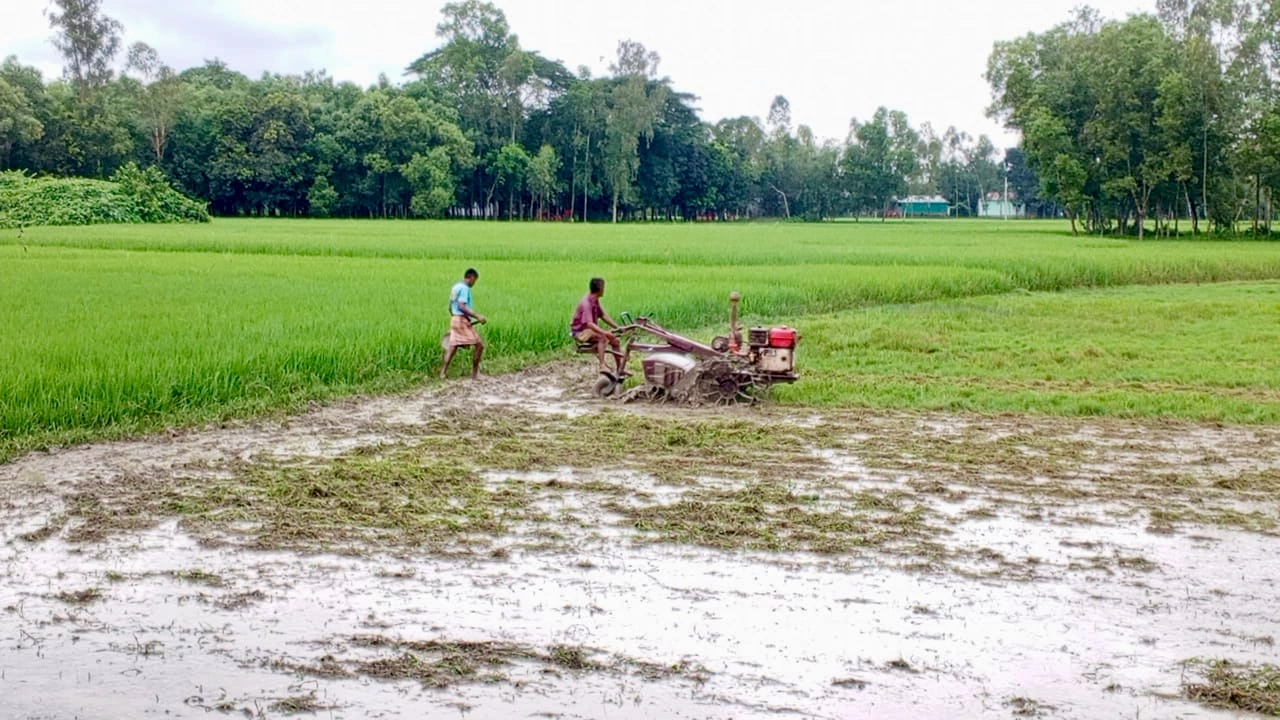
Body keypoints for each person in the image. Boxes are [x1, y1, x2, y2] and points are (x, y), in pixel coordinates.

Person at [571, 277, 625, 377]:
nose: (605, 289)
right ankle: (602, 365)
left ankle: (620, 369)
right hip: (580, 332)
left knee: (615, 341)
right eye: (604, 287)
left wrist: (618, 327)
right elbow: (589, 324)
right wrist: (604, 332)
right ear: (600, 289)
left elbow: (603, 315)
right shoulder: (586, 303)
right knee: (602, 337)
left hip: (589, 329)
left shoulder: (594, 300)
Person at [440, 268, 487, 379]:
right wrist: (477, 316)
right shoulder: (465, 288)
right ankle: (476, 373)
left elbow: (450, 307)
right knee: (479, 345)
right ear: (471, 277)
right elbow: (462, 306)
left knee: (453, 347)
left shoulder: (455, 287)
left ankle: (442, 373)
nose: (474, 283)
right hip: (461, 320)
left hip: (455, 319)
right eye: (474, 280)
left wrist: (455, 320)